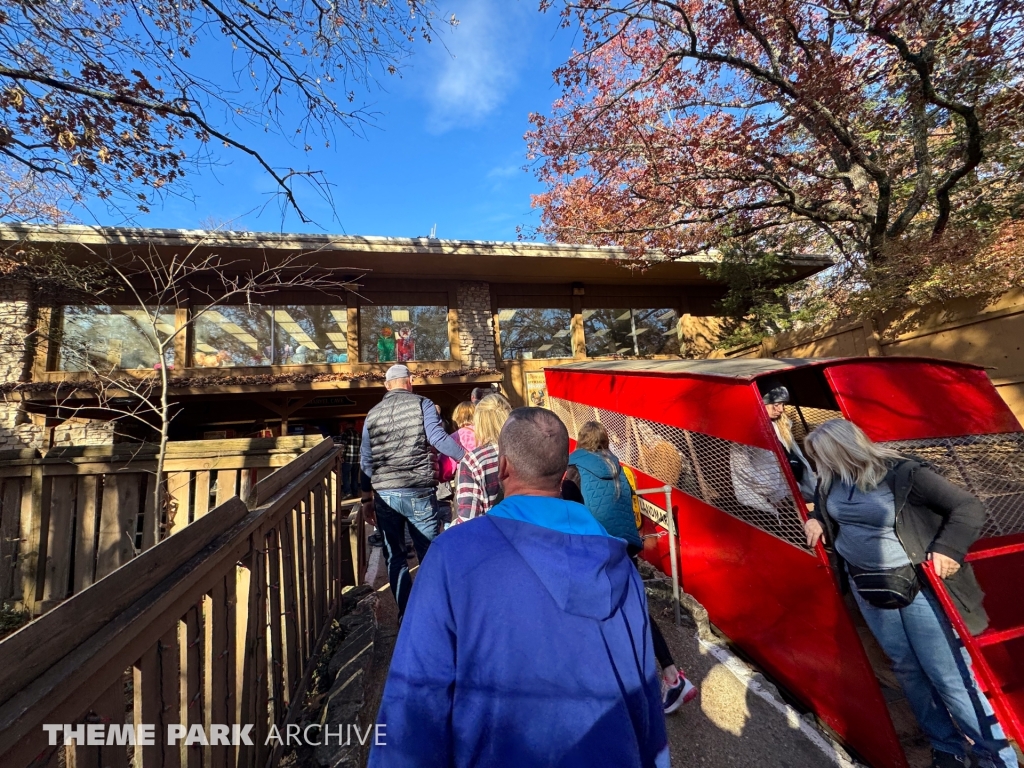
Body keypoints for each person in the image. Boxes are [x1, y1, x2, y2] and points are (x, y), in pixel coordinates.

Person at [369, 408, 669, 768]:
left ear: (503, 468)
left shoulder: (452, 556)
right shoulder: (618, 562)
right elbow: (644, 695)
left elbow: (413, 704)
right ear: (564, 472)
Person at [804, 419, 1017, 768]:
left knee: (947, 673)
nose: (818, 465)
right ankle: (945, 746)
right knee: (906, 669)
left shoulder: (903, 474)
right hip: (867, 586)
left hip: (917, 586)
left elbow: (967, 508)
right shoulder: (833, 480)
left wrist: (948, 548)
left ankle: (994, 756)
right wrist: (819, 521)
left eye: (822, 457)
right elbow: (835, 515)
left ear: (844, 451)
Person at [564, 421, 697, 714]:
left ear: (581, 442)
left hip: (596, 550)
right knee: (636, 611)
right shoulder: (617, 468)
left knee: (593, 614)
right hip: (626, 548)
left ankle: (609, 690)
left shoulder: (574, 469)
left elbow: (569, 508)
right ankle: (673, 676)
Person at [360, 364, 466, 618]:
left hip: (385, 494)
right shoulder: (423, 404)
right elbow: (438, 438)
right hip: (418, 489)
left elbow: (365, 461)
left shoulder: (372, 414)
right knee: (428, 554)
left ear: (387, 386)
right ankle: (433, 613)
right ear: (410, 382)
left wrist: (366, 498)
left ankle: (406, 614)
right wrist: (467, 457)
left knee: (394, 556)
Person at [730, 379, 815, 518]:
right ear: (761, 404)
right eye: (775, 405)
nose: (780, 409)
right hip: (763, 499)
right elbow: (741, 467)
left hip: (790, 493)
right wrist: (770, 490)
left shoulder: (782, 426)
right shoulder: (746, 431)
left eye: (782, 404)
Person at [454, 393, 512, 524]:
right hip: (533, 532)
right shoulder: (527, 451)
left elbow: (468, 520)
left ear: (479, 422)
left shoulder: (473, 461)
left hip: (494, 534)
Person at [337, 420, 360, 499]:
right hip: (357, 459)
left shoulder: (345, 433)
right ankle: (355, 493)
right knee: (354, 477)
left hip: (347, 459)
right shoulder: (358, 434)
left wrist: (341, 456)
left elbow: (342, 446)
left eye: (346, 424)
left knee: (345, 476)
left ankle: (347, 492)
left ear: (349, 424)